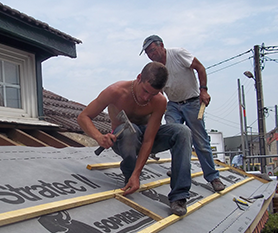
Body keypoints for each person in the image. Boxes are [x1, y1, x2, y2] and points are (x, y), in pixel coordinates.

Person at [77, 62, 192, 216]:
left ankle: (179, 196)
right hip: (123, 138)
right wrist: (99, 137)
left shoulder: (159, 101)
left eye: (152, 94)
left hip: (144, 138)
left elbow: (148, 140)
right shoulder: (116, 91)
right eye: (145, 91)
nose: (146, 97)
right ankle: (128, 174)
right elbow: (83, 117)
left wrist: (138, 174)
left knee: (183, 132)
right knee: (131, 132)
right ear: (139, 78)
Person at [139, 35, 225, 192]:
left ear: (161, 46)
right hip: (173, 105)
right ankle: (179, 167)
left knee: (200, 141)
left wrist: (203, 90)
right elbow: (158, 91)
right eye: (148, 53)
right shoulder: (155, 68)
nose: (151, 55)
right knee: (174, 135)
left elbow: (200, 68)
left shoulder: (178, 54)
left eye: (152, 50)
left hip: (192, 102)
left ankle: (213, 177)